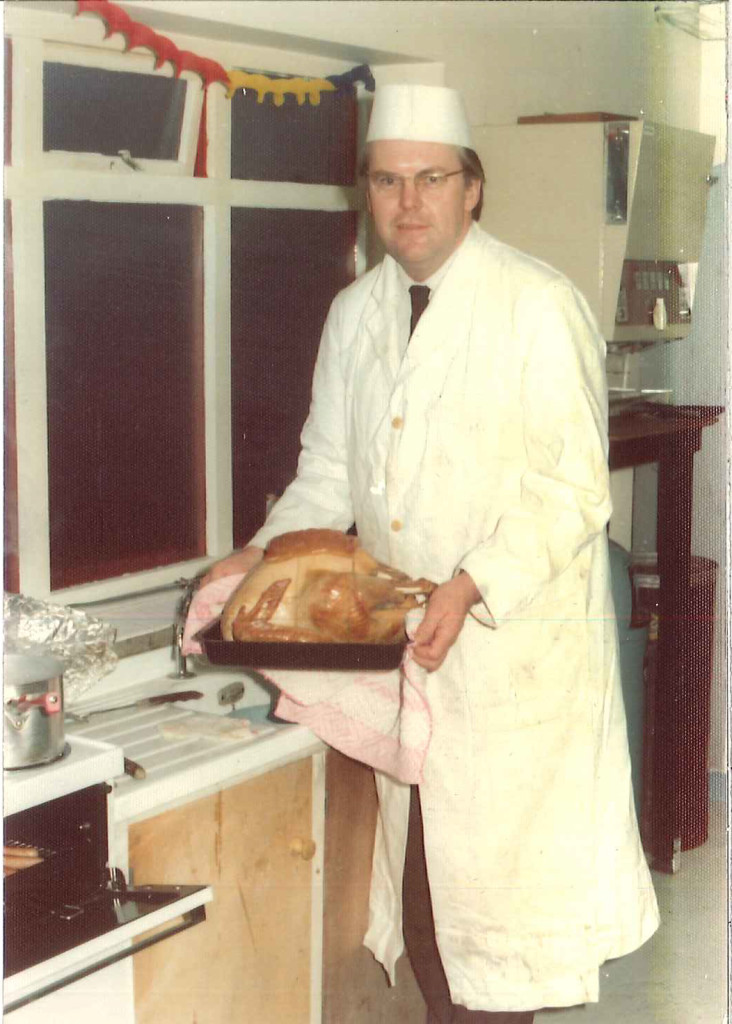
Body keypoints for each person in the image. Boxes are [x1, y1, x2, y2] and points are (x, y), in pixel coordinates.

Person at [205, 83, 659, 1022]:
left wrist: (470, 583)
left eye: (431, 179)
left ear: (472, 188)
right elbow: (327, 474)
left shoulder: (537, 303)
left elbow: (572, 488)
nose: (409, 204)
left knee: (498, 949)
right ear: (365, 194)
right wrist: (255, 558)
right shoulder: (355, 314)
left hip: (512, 662)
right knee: (426, 923)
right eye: (386, 181)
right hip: (413, 659)